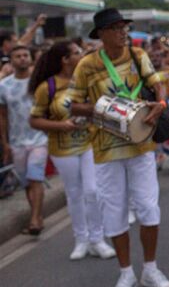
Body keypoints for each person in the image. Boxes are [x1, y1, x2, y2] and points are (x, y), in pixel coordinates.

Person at [69, 8, 169, 287]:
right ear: (100, 34)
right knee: (113, 212)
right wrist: (106, 110)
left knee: (148, 208)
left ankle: (150, 269)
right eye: (115, 28)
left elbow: (156, 85)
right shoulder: (86, 65)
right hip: (105, 148)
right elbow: (73, 105)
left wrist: (160, 103)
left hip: (140, 145)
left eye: (124, 27)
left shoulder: (138, 56)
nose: (122, 33)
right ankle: (126, 272)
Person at [28, 41, 115, 259]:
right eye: (76, 53)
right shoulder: (46, 87)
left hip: (89, 143)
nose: (81, 54)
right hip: (62, 149)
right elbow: (35, 120)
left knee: (93, 191)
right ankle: (81, 239)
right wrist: (61, 126)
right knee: (74, 194)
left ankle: (98, 238)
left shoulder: (86, 80)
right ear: (65, 60)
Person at [0, 45, 48, 235]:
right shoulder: (4, 86)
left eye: (25, 55)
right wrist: (5, 143)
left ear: (30, 58)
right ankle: (38, 215)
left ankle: (35, 219)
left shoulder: (39, 81)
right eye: (17, 56)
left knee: (35, 177)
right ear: (11, 61)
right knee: (27, 182)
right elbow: (2, 116)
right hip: (16, 141)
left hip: (39, 138)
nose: (22, 59)